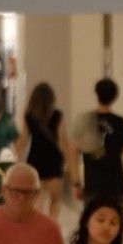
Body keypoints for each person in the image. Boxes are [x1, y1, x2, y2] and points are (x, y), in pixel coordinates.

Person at [76, 78, 123, 205]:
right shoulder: (119, 121)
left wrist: (76, 183)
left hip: (92, 182)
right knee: (116, 220)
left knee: (91, 221)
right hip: (116, 183)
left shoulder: (85, 119)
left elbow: (75, 149)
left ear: (96, 94)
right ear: (115, 96)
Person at [22, 82, 74, 220]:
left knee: (37, 198)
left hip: (35, 158)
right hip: (53, 159)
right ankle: (52, 226)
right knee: (55, 199)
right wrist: (69, 163)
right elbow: (64, 142)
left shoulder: (29, 116)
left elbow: (23, 140)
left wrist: (18, 161)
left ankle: (37, 227)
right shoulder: (57, 115)